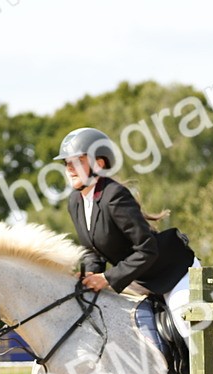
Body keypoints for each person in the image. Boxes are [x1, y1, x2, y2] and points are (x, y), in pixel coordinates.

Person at [55, 127, 197, 339]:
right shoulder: (75, 201)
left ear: (98, 164)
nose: (70, 169)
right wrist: (91, 275)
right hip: (137, 281)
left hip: (172, 274)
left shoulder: (114, 195)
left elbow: (147, 248)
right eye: (67, 163)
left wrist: (107, 278)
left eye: (78, 161)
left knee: (186, 328)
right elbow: (93, 251)